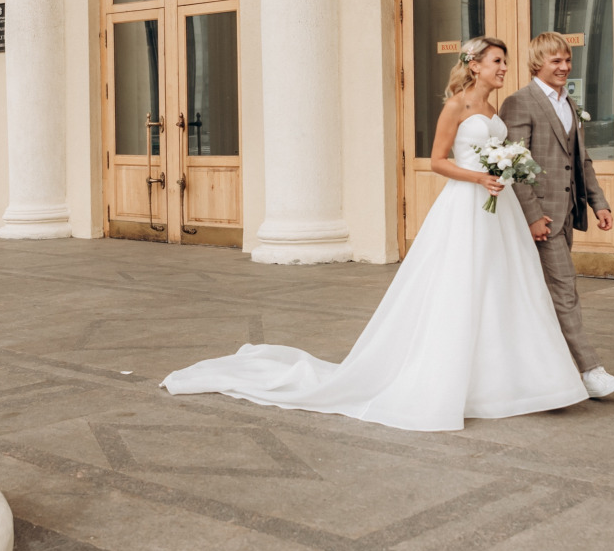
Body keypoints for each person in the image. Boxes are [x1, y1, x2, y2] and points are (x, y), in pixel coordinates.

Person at [159, 37, 588, 432]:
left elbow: (499, 154)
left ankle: (508, 378)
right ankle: (447, 375)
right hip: (466, 205)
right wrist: (479, 178)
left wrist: (503, 172)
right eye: (497, 62)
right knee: (460, 286)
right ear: (474, 66)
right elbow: (437, 160)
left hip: (498, 209)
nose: (503, 69)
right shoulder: (456, 106)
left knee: (504, 287)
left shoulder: (496, 112)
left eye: (505, 63)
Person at [499, 33, 614, 399]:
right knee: (564, 290)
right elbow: (515, 165)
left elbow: (581, 159)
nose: (565, 67)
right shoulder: (520, 103)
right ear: (538, 62)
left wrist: (598, 202)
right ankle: (591, 371)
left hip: (566, 214)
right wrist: (533, 215)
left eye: (567, 60)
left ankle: (539, 371)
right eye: (556, 61)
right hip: (543, 218)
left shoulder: (569, 103)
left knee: (541, 294)